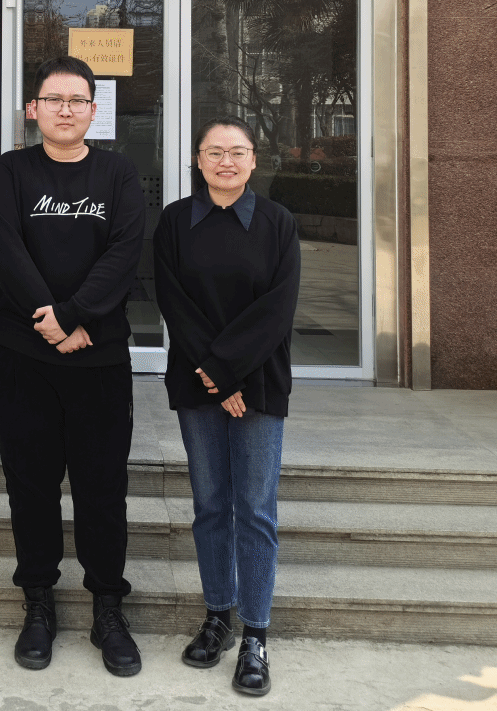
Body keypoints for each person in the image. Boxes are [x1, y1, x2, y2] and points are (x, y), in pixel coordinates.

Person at [0, 55, 146, 677]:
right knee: (31, 484)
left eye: (78, 100)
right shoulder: (11, 171)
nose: (66, 110)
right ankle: (38, 603)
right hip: (24, 356)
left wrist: (76, 317)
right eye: (54, 100)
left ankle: (108, 607)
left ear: (94, 110)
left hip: (99, 357)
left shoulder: (118, 173)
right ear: (34, 109)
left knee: (102, 486)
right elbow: (7, 251)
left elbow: (124, 253)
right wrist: (51, 322)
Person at [153, 117, 302, 698]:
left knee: (256, 510)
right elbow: (173, 301)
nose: (225, 162)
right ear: (198, 160)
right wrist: (216, 375)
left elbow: (277, 309)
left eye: (236, 152)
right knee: (211, 505)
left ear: (253, 160)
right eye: (214, 152)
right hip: (199, 382)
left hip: (259, 384)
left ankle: (256, 635)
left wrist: (229, 372)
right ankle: (217, 616)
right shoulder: (175, 221)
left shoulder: (277, 222)